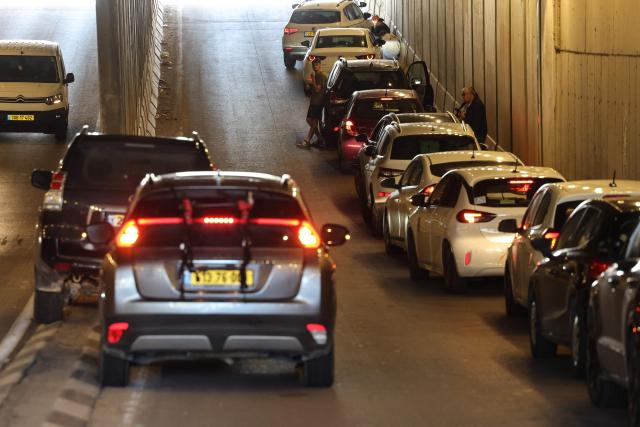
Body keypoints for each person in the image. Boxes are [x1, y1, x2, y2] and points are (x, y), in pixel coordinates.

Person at [298, 58, 327, 148]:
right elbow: (315, 88)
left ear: (320, 65)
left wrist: (313, 79)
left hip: (318, 102)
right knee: (309, 120)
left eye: (317, 65)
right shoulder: (317, 75)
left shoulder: (321, 76)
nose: (315, 67)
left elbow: (318, 89)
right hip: (314, 101)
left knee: (314, 122)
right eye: (314, 65)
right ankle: (321, 139)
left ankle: (307, 141)